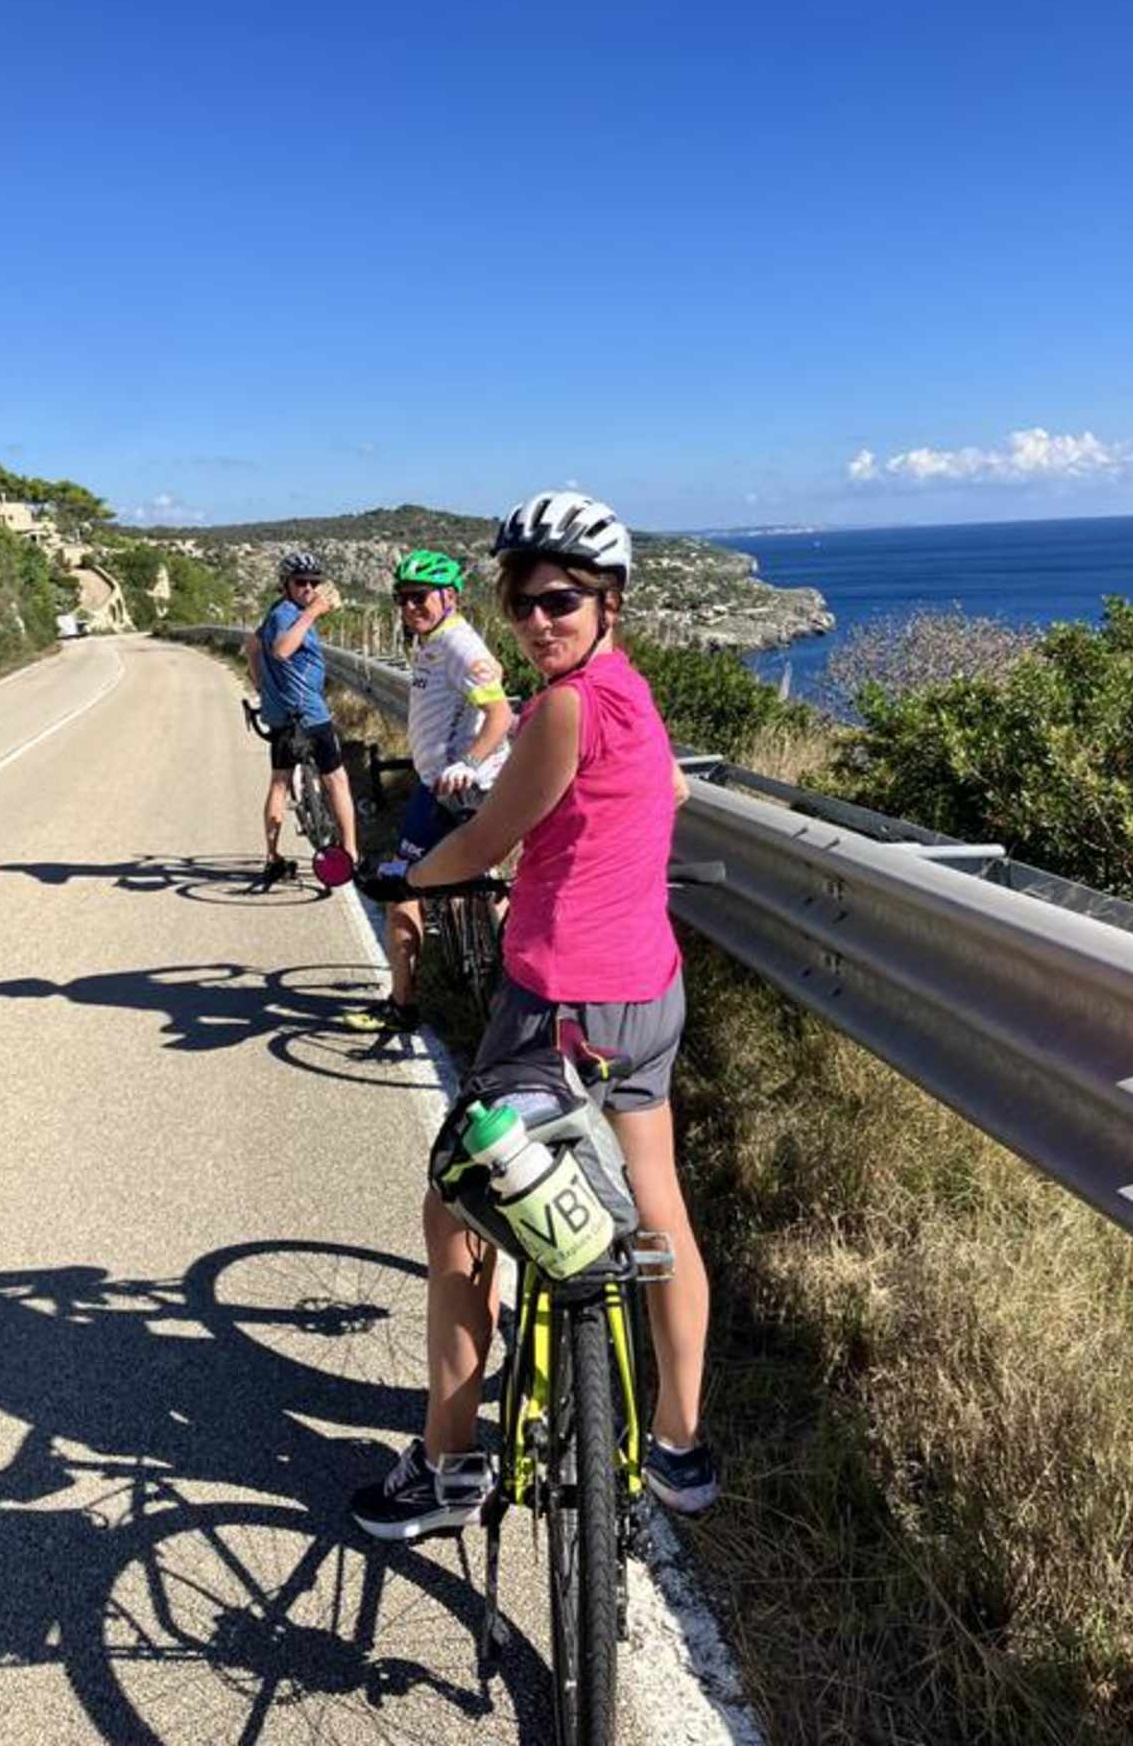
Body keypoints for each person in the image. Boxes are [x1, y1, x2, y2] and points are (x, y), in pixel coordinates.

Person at [351, 491, 717, 1540]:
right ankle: (680, 1448)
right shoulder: (632, 694)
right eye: (520, 603)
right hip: (649, 991)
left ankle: (448, 1463)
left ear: (609, 600)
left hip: (558, 1001)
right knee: (656, 1211)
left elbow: (487, 844)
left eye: (559, 599)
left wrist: (403, 877)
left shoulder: (563, 707)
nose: (535, 620)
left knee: (458, 1208)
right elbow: (659, 800)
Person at [349, 549, 513, 1034]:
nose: (409, 607)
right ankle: (508, 988)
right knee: (485, 882)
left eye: (419, 597)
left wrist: (468, 763)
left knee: (403, 888)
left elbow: (501, 716)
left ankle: (403, 1005)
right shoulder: (431, 640)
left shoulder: (460, 646)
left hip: (457, 789)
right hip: (440, 783)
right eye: (401, 599)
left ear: (450, 596)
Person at [245, 548, 358, 892]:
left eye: (313, 583)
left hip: (280, 715)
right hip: (308, 713)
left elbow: (253, 647)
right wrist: (313, 612)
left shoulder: (273, 615)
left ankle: (273, 858)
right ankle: (351, 853)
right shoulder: (288, 616)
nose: (308, 588)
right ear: (286, 584)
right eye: (301, 582)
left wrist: (263, 687)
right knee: (336, 779)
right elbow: (282, 649)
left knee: (280, 783)